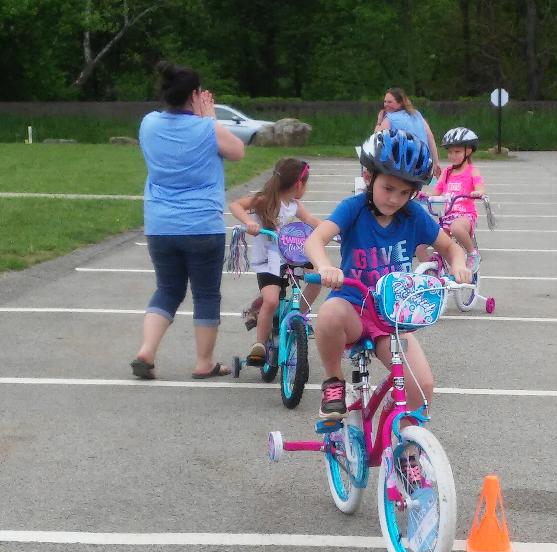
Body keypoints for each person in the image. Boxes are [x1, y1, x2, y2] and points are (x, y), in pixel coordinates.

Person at [304, 129, 471, 420]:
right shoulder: (353, 209)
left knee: (422, 387)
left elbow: (450, 247)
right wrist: (324, 266)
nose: (395, 199)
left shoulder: (414, 215)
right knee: (329, 313)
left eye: (405, 192)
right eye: (388, 188)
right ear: (369, 177)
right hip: (353, 307)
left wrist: (458, 264)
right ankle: (333, 381)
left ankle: (408, 452)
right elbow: (315, 240)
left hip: (393, 315)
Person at [130, 61, 245, 380]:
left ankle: (146, 351)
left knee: (167, 290)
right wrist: (209, 117)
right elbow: (237, 151)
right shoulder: (207, 128)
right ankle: (204, 362)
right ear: (195, 95)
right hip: (202, 225)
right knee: (206, 294)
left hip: (159, 224)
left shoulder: (148, 124)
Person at [228, 157, 323, 364]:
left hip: (290, 256)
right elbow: (235, 205)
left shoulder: (294, 205)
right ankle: (259, 345)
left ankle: (299, 316)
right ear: (299, 184)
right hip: (268, 262)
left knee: (318, 276)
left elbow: (312, 221)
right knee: (271, 300)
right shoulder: (264, 199)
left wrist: (332, 230)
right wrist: (248, 222)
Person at [431, 127, 486, 268]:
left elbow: (480, 188)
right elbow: (436, 192)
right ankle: (436, 271)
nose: (452, 156)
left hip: (465, 216)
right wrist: (424, 197)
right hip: (447, 215)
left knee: (456, 228)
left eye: (457, 152)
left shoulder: (472, 171)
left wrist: (478, 192)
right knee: (427, 238)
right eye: (450, 152)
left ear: (468, 151)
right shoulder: (447, 172)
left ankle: (473, 253)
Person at [375, 87, 442, 178]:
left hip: (403, 166)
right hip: (423, 163)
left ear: (400, 103)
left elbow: (377, 138)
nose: (386, 104)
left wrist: (379, 120)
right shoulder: (417, 114)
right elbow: (430, 137)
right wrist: (435, 163)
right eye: (385, 101)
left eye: (390, 102)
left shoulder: (390, 117)